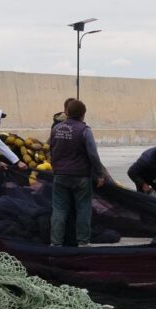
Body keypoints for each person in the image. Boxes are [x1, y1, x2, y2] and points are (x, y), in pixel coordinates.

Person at [49, 99, 106, 247]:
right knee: (83, 209)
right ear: (83, 114)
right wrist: (99, 174)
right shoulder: (84, 130)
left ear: (67, 112)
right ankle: (83, 241)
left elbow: (51, 150)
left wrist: (56, 168)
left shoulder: (56, 129)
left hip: (60, 175)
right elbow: (93, 154)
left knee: (59, 209)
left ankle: (55, 243)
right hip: (81, 177)